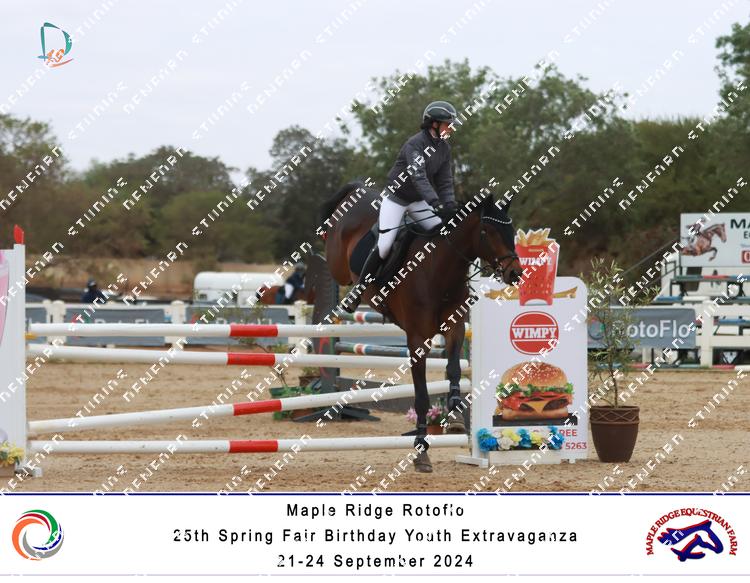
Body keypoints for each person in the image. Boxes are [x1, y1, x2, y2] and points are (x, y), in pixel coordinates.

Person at [344, 100, 459, 312]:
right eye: (448, 124)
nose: (451, 128)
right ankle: (358, 291)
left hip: (417, 201)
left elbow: (445, 180)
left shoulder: (444, 148)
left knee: (443, 234)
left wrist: (450, 204)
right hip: (396, 199)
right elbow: (418, 176)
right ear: (434, 124)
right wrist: (435, 202)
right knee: (385, 244)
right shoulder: (415, 144)